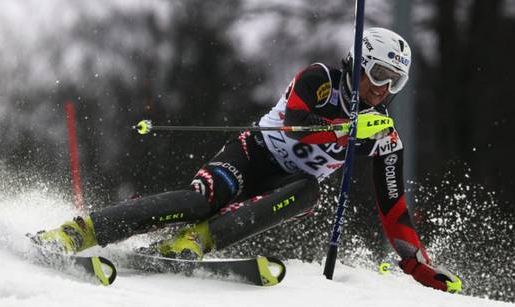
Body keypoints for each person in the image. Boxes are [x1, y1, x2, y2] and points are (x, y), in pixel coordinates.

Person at [32, 27, 461, 293]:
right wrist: (345, 129)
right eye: (380, 75)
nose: (385, 89)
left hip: (286, 186)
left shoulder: (383, 135)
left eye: (396, 81)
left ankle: (194, 241)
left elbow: (394, 207)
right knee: (200, 199)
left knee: (309, 191)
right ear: (359, 64)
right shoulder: (320, 79)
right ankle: (80, 230)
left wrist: (417, 266)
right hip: (252, 154)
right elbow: (296, 122)